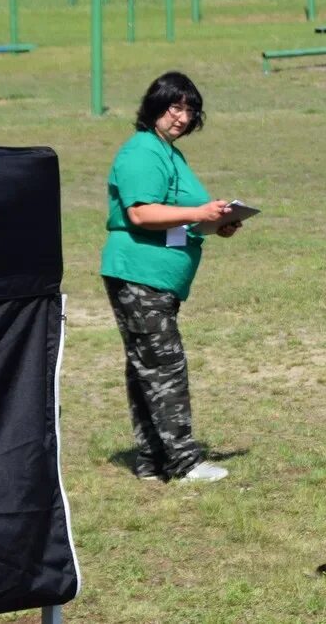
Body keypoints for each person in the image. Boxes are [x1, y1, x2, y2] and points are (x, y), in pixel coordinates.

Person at [100, 71, 241, 483]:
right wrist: (200, 214)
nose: (182, 116)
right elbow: (141, 213)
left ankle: (152, 461)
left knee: (145, 366)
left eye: (189, 109)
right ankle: (183, 463)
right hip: (139, 273)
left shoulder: (169, 153)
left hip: (158, 276)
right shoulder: (143, 151)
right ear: (154, 106)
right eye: (174, 106)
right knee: (164, 364)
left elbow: (178, 216)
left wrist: (218, 223)